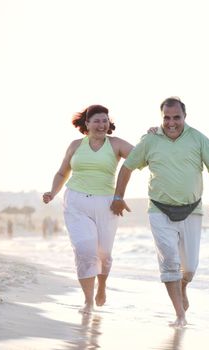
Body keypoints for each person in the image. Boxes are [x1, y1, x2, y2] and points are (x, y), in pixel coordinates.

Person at [110, 96, 209, 327]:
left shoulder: (199, 139)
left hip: (191, 210)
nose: (171, 122)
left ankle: (183, 286)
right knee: (170, 262)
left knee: (190, 269)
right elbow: (128, 166)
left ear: (185, 117)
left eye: (176, 118)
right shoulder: (150, 140)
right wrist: (118, 196)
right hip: (159, 209)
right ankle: (179, 315)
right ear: (161, 117)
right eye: (167, 118)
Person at [42, 105, 133, 314]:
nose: (102, 125)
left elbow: (141, 156)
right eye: (97, 120)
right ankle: (88, 301)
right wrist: (52, 192)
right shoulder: (75, 145)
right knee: (85, 251)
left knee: (104, 254)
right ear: (87, 124)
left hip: (106, 203)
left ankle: (102, 286)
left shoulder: (116, 144)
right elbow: (62, 172)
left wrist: (153, 136)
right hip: (76, 201)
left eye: (105, 121)